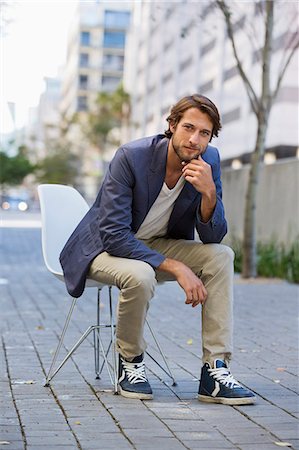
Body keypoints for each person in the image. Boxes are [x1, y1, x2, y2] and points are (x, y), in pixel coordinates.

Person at [60, 94, 256, 405]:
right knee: (140, 274)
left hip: (156, 243)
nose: (194, 140)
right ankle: (131, 362)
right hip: (103, 249)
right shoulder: (131, 157)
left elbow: (214, 236)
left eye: (204, 133)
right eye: (188, 128)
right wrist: (177, 267)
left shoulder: (210, 162)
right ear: (172, 125)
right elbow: (113, 235)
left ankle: (215, 371)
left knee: (222, 256)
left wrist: (208, 194)